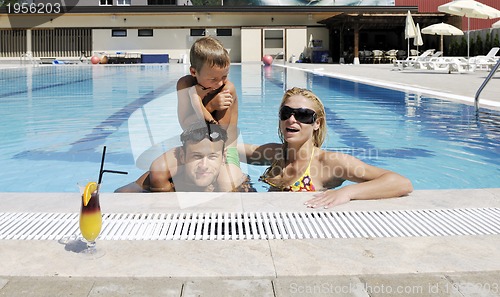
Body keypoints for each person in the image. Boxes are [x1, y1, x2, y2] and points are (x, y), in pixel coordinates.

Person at [238, 87, 413, 208]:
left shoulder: (329, 163)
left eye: (303, 115)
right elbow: (229, 149)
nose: (291, 120)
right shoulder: (275, 153)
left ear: (316, 124)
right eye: (286, 113)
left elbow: (401, 183)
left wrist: (348, 192)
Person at [151, 36, 245, 192]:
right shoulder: (184, 84)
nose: (220, 83)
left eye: (224, 76)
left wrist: (199, 102)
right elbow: (185, 124)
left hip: (224, 150)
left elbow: (218, 131)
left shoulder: (227, 89)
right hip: (194, 147)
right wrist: (206, 103)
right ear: (194, 71)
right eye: (213, 78)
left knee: (227, 185)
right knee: (157, 173)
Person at [115, 122, 239, 192]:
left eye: (212, 157)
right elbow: (118, 197)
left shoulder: (230, 184)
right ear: (182, 156)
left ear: (223, 157)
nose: (204, 166)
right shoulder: (169, 180)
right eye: (196, 157)